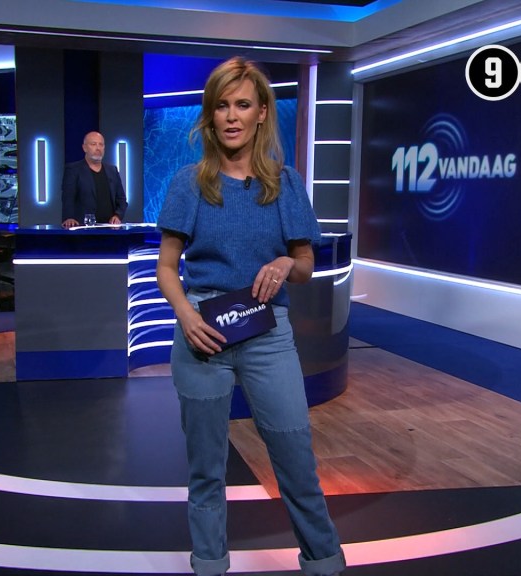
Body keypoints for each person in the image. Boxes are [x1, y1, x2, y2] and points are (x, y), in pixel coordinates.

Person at [156, 57, 346, 576]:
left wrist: (285, 263)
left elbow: (305, 265)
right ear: (210, 114)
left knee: (295, 458)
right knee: (206, 470)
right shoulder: (189, 183)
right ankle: (210, 565)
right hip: (203, 334)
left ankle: (325, 563)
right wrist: (184, 315)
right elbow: (167, 267)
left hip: (268, 334)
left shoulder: (284, 183)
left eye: (243, 105)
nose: (232, 116)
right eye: (222, 106)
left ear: (262, 112)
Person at [60, 131, 127, 228]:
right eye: (93, 144)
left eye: (101, 144)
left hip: (109, 228)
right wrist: (69, 217)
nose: (98, 148)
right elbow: (68, 197)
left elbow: (121, 199)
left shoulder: (112, 170)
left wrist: (118, 215)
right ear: (84, 148)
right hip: (83, 228)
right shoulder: (73, 170)